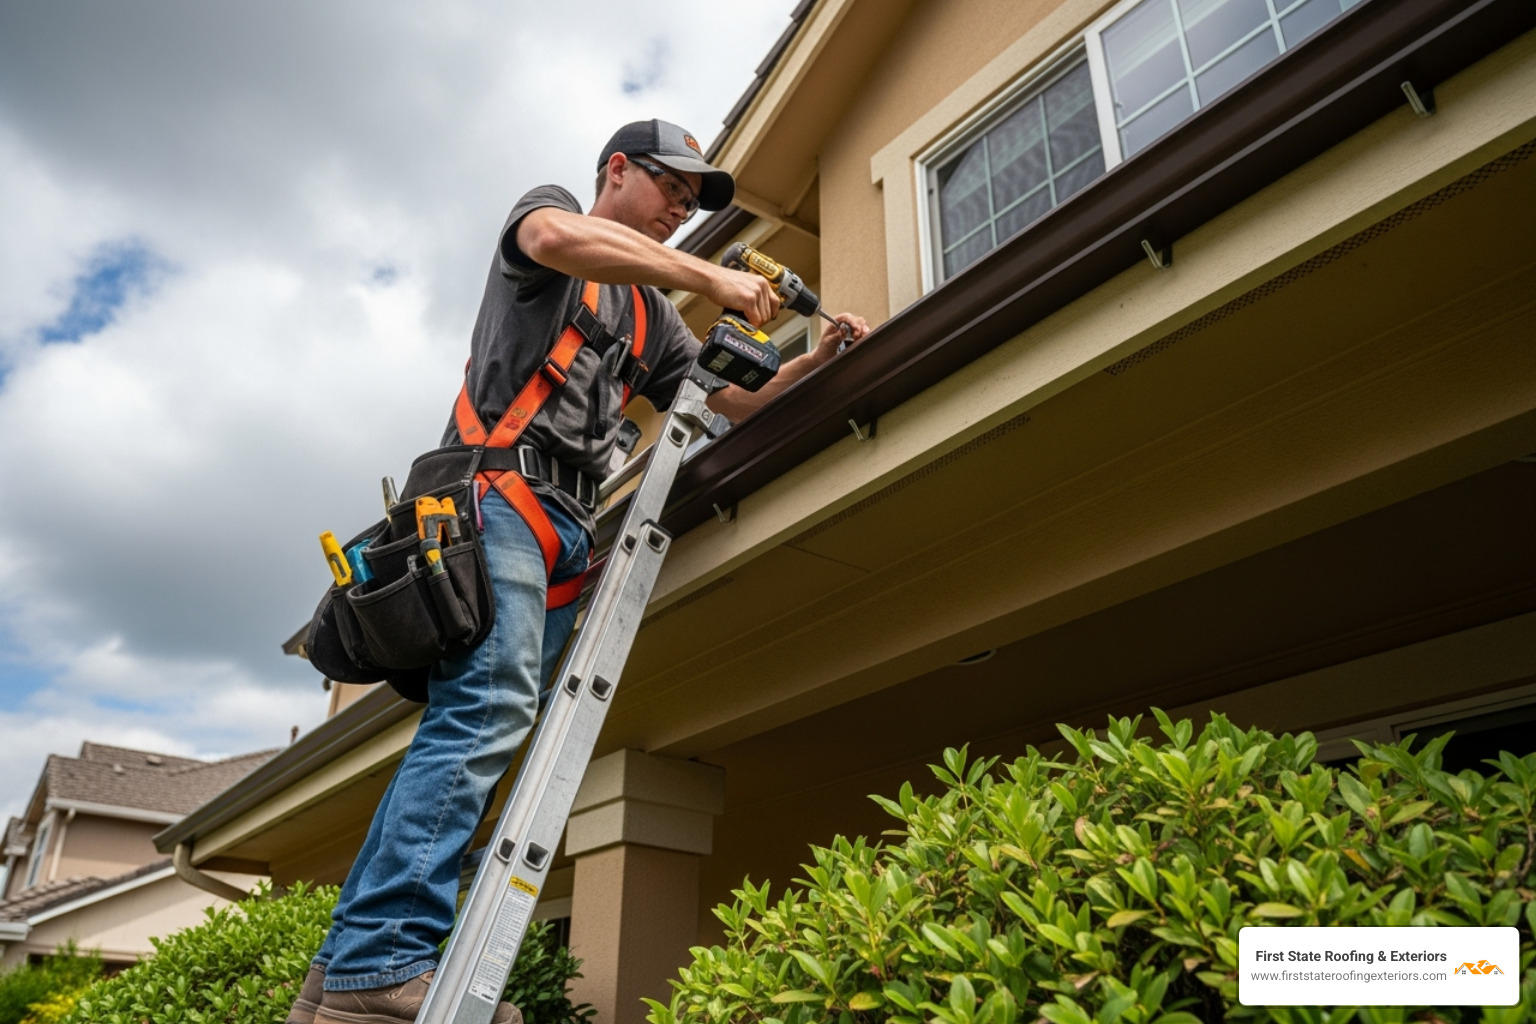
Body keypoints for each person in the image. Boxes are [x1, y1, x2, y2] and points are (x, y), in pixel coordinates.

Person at [289, 119, 869, 1024]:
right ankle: (380, 969)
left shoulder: (654, 317)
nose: (682, 209)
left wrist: (816, 358)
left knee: (474, 724)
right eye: (672, 187)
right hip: (498, 498)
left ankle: (341, 974)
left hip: (566, 528)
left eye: (692, 201)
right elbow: (559, 242)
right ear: (616, 171)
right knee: (485, 715)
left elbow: (737, 401)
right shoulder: (552, 223)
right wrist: (713, 275)